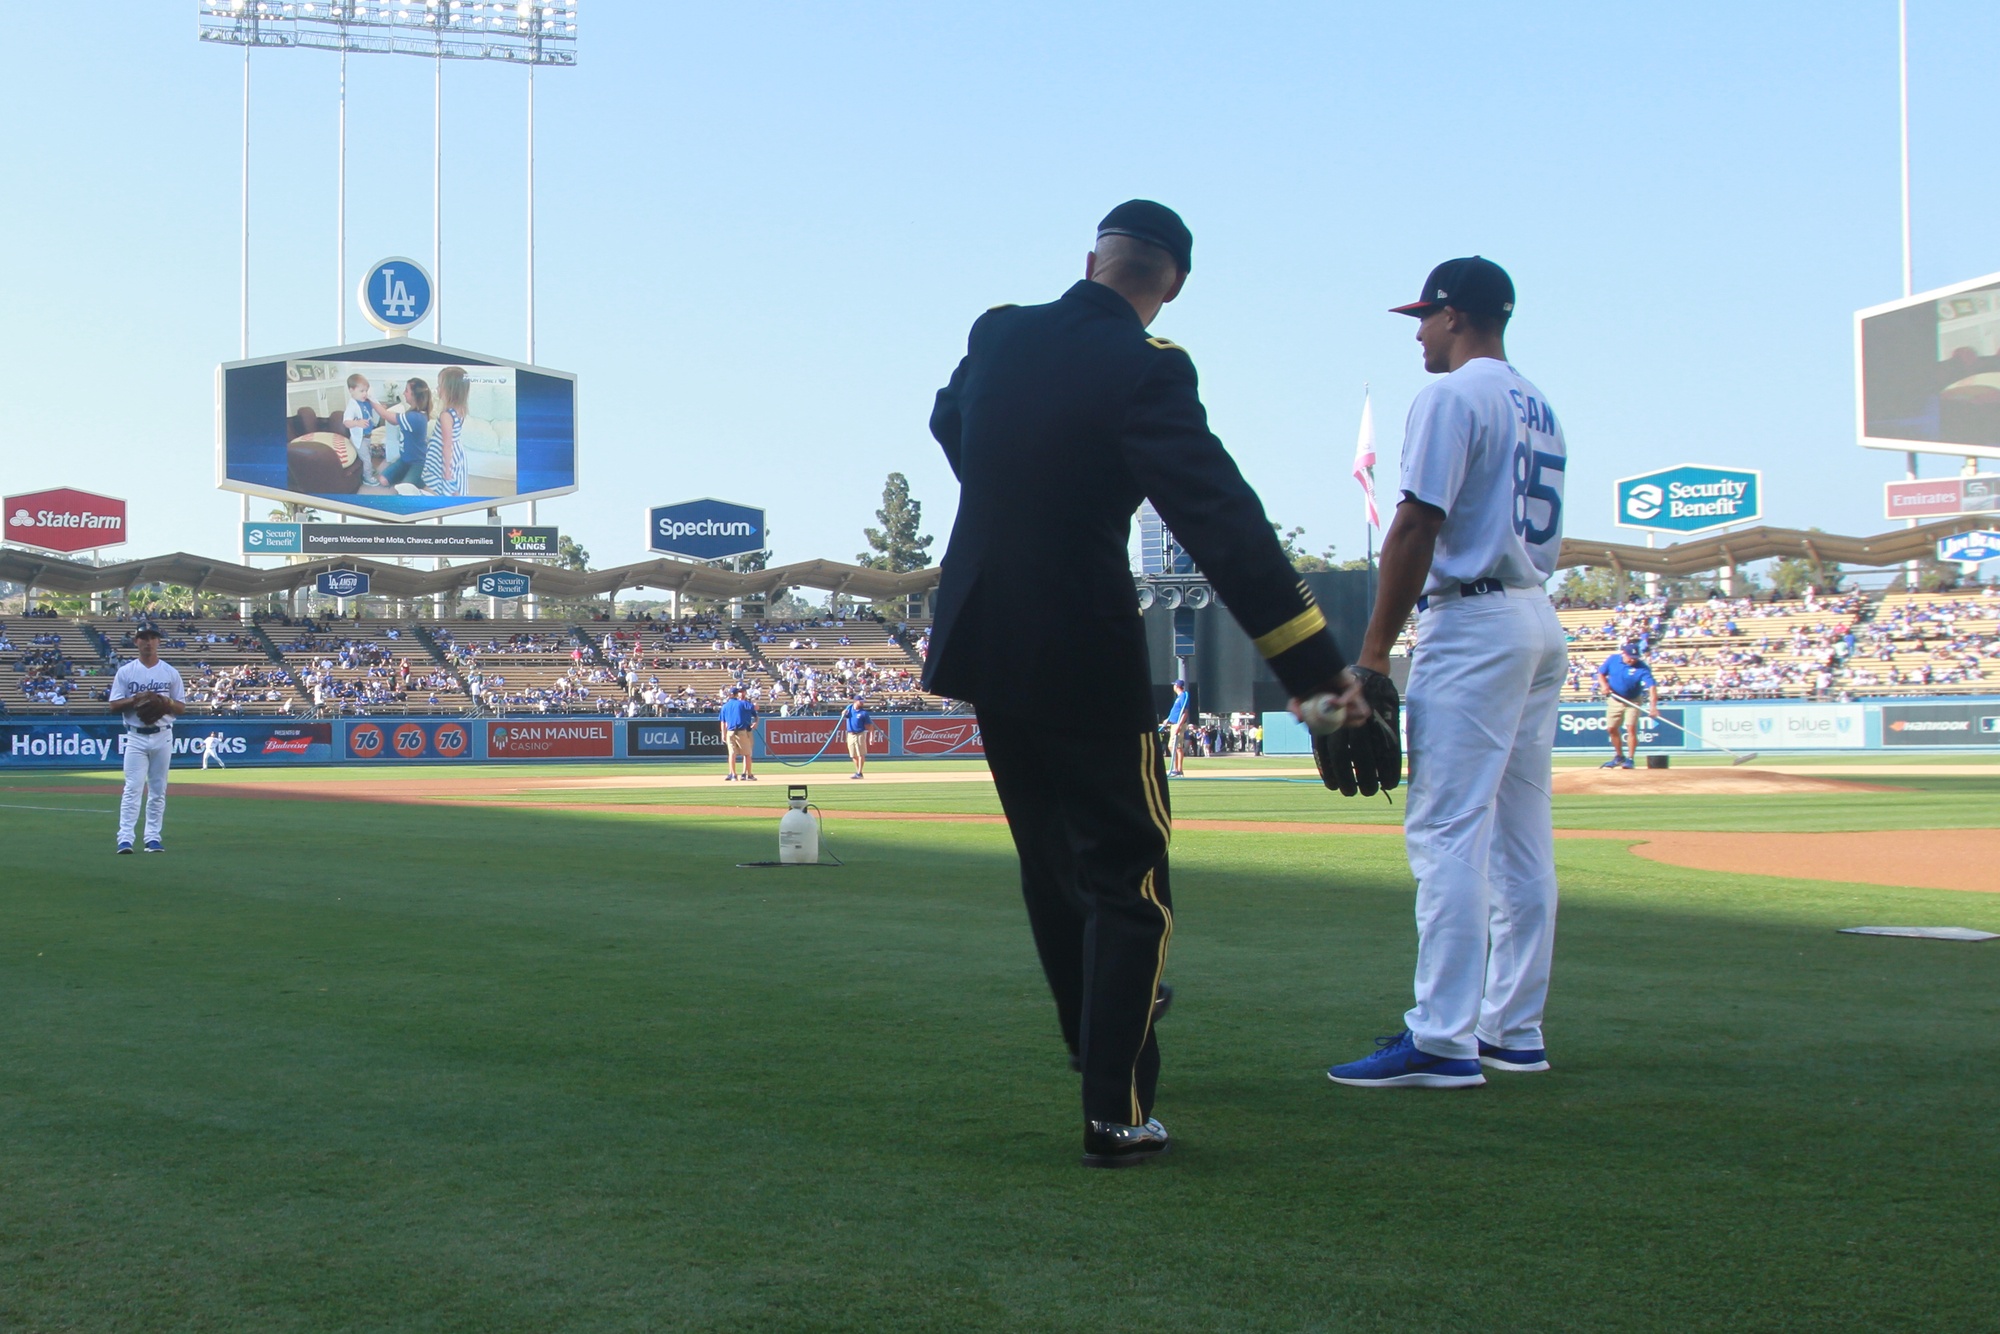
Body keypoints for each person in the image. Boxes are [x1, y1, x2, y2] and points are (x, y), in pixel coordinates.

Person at [927, 199, 1365, 1167]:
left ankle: (1096, 1047)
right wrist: (1324, 686)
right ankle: (1115, 1109)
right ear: (1169, 285)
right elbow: (1226, 527)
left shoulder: (996, 331)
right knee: (1131, 882)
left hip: (986, 636)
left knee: (1053, 870)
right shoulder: (1148, 367)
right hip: (1080, 643)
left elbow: (947, 417)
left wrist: (1021, 487)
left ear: (1090, 260)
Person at [1326, 256, 1568, 1090]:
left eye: (1425, 317)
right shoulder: (1538, 402)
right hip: (1535, 612)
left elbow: (1414, 526)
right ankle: (1514, 1029)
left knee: (1446, 833)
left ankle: (1442, 1038)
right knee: (1521, 837)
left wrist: (1369, 657)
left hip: (1473, 620)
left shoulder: (1451, 395)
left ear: (1456, 315)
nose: (1420, 334)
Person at [107, 626, 187, 853]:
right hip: (135, 736)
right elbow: (113, 705)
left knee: (158, 789)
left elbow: (180, 707)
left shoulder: (170, 672)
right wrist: (137, 699)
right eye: (143, 638)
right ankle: (125, 838)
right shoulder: (126, 671)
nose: (148, 642)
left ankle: (152, 837)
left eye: (153, 638)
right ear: (136, 642)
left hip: (163, 735)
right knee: (132, 788)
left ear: (159, 642)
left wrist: (164, 702)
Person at [1596, 642, 1658, 769]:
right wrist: (1604, 685)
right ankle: (1619, 756)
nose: (1632, 660)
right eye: (1630, 657)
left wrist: (1653, 707)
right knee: (1611, 729)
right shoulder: (1613, 660)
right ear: (1623, 653)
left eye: (1635, 658)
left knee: (1630, 728)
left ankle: (1630, 759)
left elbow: (1651, 686)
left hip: (1633, 701)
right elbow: (1600, 673)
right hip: (1615, 699)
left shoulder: (1642, 668)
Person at [410, 366, 469, 497]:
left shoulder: (446, 415)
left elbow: (447, 445)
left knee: (446, 482)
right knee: (453, 485)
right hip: (456, 454)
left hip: (446, 457)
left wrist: (447, 469)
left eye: (440, 385)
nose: (437, 389)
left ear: (450, 390)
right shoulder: (460, 409)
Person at [378, 377, 431, 489]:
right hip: (405, 460)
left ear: (414, 396)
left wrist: (371, 399)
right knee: (383, 480)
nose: (403, 393)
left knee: (404, 491)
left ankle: (420, 477)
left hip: (419, 463)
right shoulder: (411, 413)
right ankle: (408, 476)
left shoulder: (415, 417)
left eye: (406, 391)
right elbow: (391, 421)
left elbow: (385, 416)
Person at [343, 374, 385, 486]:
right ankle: (367, 477)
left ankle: (369, 470)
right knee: (366, 459)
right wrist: (357, 423)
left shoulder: (365, 401)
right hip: (360, 439)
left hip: (367, 437)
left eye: (366, 391)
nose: (365, 394)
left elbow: (374, 405)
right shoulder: (352, 405)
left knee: (369, 455)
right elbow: (346, 422)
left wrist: (379, 406)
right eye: (361, 391)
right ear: (351, 390)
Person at [719, 685, 758, 781]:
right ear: (737, 694)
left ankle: (733, 775)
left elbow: (723, 722)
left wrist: (723, 734)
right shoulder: (742, 704)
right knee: (747, 754)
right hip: (741, 731)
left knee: (732, 754)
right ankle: (748, 775)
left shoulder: (725, 706)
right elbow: (754, 708)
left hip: (730, 731)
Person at [1163, 679, 1191, 777]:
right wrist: (1168, 720)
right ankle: (1177, 769)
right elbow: (1176, 712)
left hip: (1178, 725)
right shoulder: (1178, 697)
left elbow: (1185, 712)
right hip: (1174, 723)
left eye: (1174, 685)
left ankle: (1178, 770)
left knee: (1176, 746)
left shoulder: (1183, 696)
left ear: (1177, 686)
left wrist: (1179, 725)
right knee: (1174, 746)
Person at [841, 696, 872, 778]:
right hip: (850, 734)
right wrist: (843, 713)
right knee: (853, 755)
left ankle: (859, 772)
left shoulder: (863, 713)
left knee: (860, 754)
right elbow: (844, 715)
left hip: (859, 734)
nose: (862, 703)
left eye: (863, 701)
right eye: (860, 701)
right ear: (856, 701)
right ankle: (857, 771)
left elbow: (869, 725)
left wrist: (871, 737)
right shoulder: (850, 709)